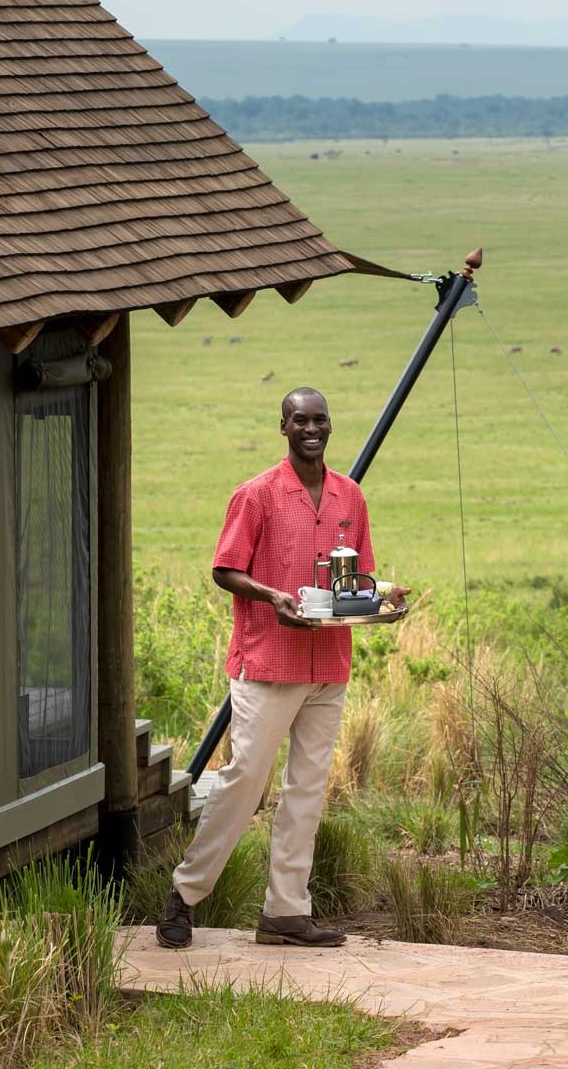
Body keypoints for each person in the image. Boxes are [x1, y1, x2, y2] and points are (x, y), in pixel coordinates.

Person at [157, 387, 408, 950]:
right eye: (300, 421)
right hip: (268, 661)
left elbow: (358, 582)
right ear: (284, 427)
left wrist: (381, 607)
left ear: (330, 427)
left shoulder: (351, 497)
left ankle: (286, 913)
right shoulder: (257, 495)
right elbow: (225, 570)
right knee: (245, 780)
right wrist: (273, 597)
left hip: (329, 663)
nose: (310, 429)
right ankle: (184, 896)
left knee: (308, 789)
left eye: (320, 420)